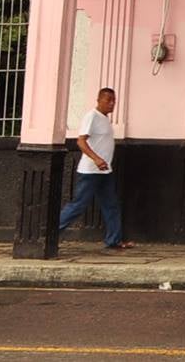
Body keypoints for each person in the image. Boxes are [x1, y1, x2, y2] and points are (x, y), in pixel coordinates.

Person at [56, 87, 132, 250]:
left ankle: (114, 240)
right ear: (99, 100)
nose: (112, 104)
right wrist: (96, 159)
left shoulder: (105, 119)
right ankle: (51, 234)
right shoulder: (92, 117)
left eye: (114, 101)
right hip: (90, 171)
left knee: (111, 205)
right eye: (108, 100)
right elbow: (81, 141)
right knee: (78, 205)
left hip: (104, 171)